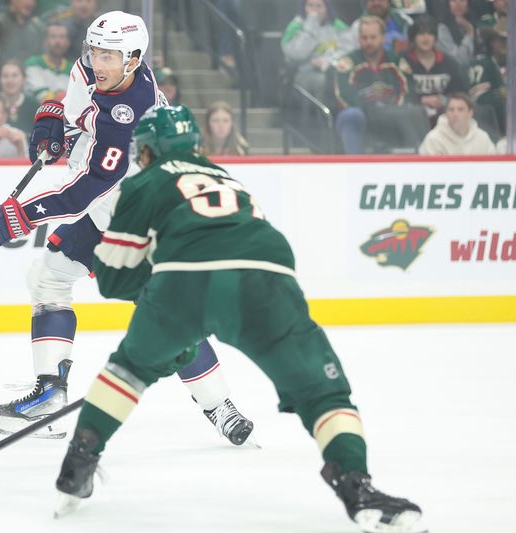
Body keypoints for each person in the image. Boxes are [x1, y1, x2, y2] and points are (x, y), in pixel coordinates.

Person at [52, 105, 426, 533]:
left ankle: (78, 463)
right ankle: (358, 486)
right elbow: (241, 247)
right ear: (195, 144)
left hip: (183, 283)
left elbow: (114, 279)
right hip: (268, 280)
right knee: (323, 392)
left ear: (149, 150)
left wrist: (171, 321)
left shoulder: (143, 182)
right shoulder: (228, 178)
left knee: (128, 369)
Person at [0, 11, 254, 445]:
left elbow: (84, 190)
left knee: (163, 314)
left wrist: (16, 216)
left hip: (139, 216)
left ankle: (219, 405)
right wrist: (53, 119)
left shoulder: (131, 115)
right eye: (95, 50)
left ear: (134, 59)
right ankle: (51, 395)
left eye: (110, 55)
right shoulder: (93, 69)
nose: (98, 62)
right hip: (112, 210)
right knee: (49, 279)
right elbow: (76, 110)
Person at [334, 16, 426, 153]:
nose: (368, 42)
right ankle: (355, 166)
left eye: (373, 37)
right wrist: (372, 111)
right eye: (364, 38)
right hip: (362, 116)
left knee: (416, 112)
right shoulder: (348, 62)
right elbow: (343, 95)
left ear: (384, 38)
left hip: (392, 115)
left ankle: (415, 165)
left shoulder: (397, 61)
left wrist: (391, 110)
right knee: (351, 115)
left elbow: (409, 91)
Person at [400, 15, 466, 125]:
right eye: (421, 34)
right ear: (413, 38)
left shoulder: (450, 63)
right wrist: (420, 100)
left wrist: (444, 100)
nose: (426, 38)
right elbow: (398, 93)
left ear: (435, 37)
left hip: (445, 117)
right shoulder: (402, 61)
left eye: (430, 33)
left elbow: (460, 93)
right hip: (412, 117)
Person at [281, 0, 351, 99]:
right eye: (310, 5)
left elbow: (349, 49)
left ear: (327, 8)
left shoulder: (337, 25)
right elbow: (297, 54)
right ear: (304, 7)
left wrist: (328, 61)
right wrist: (311, 25)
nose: (314, 10)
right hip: (304, 73)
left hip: (335, 71)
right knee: (323, 81)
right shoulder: (295, 26)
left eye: (319, 6)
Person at [418, 92, 496, 154]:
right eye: (451, 110)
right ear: (446, 113)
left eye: (460, 109)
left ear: (470, 113)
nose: (455, 114)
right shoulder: (434, 139)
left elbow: (493, 168)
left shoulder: (482, 138)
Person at [468, 17, 507, 136]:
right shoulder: (481, 64)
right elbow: (479, 100)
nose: (507, 44)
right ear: (492, 41)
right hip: (491, 131)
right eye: (502, 40)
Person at [24, 21, 72, 102]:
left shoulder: (73, 69)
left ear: (67, 42)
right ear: (45, 41)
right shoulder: (33, 64)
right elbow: (41, 97)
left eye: (62, 37)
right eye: (53, 36)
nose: (58, 41)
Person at [345, 0, 411, 54]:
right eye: (372, 0)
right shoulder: (357, 26)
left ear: (389, 2)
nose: (376, 3)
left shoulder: (404, 20)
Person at [0, 60, 40, 135]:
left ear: (23, 80)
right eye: (5, 76)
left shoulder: (34, 105)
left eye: (15, 76)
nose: (10, 80)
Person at [436, 0, 477, 69]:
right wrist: (469, 33)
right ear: (448, 4)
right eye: (454, 1)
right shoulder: (442, 28)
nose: (458, 4)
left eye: (462, 0)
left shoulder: (474, 22)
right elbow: (459, 60)